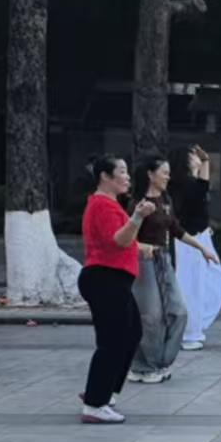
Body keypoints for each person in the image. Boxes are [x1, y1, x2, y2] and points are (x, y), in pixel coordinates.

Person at [127, 154, 218, 384]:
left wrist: (202, 248)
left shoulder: (165, 200)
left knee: (179, 312)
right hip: (144, 262)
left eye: (168, 172)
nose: (168, 177)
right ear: (151, 175)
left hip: (164, 260)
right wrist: (142, 246)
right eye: (164, 173)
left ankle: (159, 361)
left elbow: (176, 229)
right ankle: (143, 367)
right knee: (151, 317)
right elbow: (126, 237)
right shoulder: (137, 203)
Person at [78, 156, 154, 424]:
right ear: (105, 176)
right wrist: (138, 216)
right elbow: (120, 240)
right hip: (105, 279)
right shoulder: (103, 205)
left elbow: (119, 241)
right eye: (122, 172)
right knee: (113, 341)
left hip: (112, 279)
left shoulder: (107, 204)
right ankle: (94, 404)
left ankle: (104, 393)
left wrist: (140, 246)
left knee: (131, 334)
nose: (127, 177)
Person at [169, 145, 221, 352]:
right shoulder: (187, 186)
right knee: (193, 285)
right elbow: (202, 185)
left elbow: (203, 185)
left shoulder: (181, 185)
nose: (197, 160)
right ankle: (190, 332)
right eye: (193, 157)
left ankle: (191, 329)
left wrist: (206, 161)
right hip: (192, 239)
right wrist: (206, 161)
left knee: (200, 282)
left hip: (193, 237)